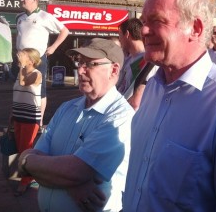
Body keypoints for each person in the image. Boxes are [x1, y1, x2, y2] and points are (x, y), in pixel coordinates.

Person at [122, 0, 216, 211]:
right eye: (144, 22)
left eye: (156, 20)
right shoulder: (151, 89)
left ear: (195, 28)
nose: (145, 30)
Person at [17, 38, 134, 212]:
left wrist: (26, 160)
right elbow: (50, 168)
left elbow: (76, 171)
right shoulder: (67, 108)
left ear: (114, 70)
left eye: (90, 64)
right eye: (80, 62)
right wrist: (71, 183)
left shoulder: (120, 116)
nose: (80, 70)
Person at [16, 0, 69, 131]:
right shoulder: (19, 17)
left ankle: (38, 121)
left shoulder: (45, 16)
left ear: (34, 0)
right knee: (22, 87)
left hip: (37, 59)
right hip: (22, 60)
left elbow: (65, 31)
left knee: (39, 89)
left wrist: (53, 47)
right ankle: (22, 117)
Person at [12, 48, 42, 196]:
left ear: (31, 60)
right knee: (20, 149)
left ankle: (26, 180)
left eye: (23, 56)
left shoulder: (37, 74)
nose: (19, 57)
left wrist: (22, 66)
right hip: (18, 115)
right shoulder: (20, 73)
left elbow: (24, 83)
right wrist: (11, 117)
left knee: (25, 150)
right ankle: (29, 175)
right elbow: (17, 94)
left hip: (30, 116)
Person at [116, 18, 146, 95]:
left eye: (120, 35)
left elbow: (136, 100)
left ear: (127, 34)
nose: (119, 39)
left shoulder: (145, 61)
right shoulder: (128, 60)